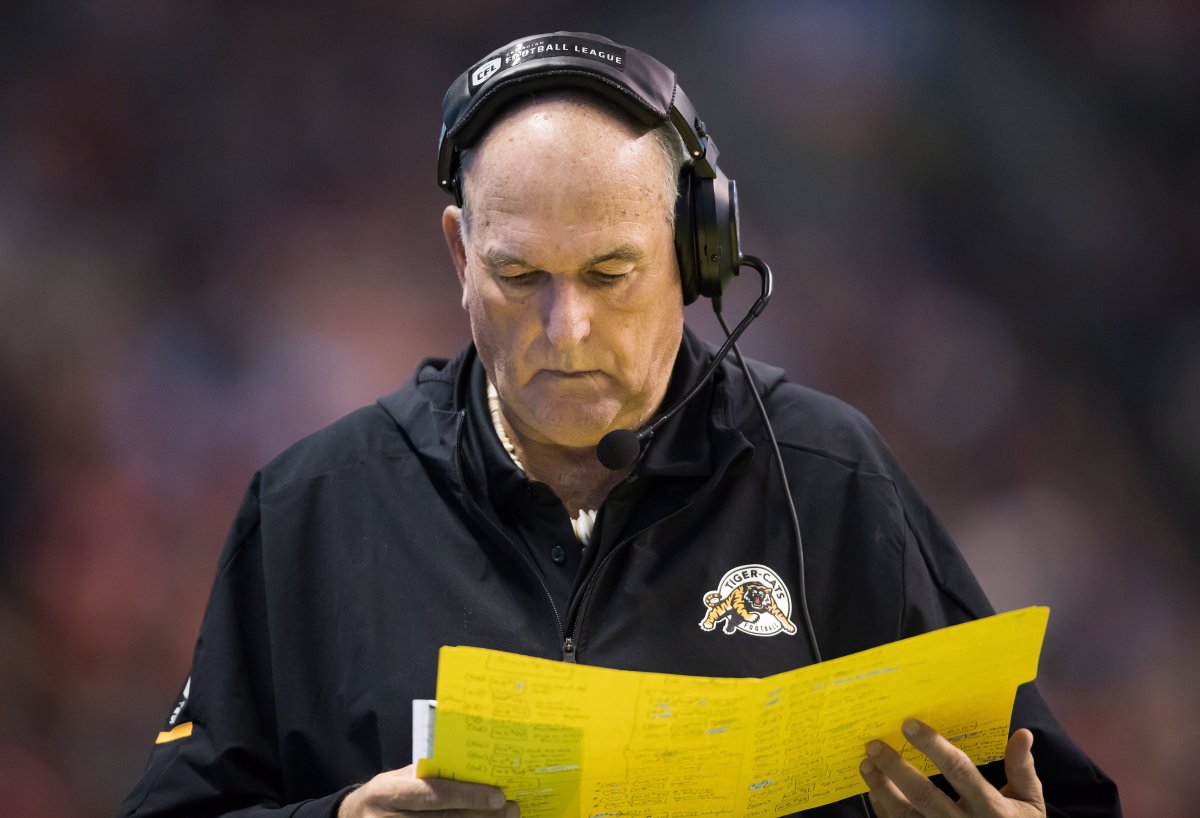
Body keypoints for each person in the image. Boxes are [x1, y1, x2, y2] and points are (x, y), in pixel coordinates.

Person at [119, 32, 1120, 818]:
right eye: (519, 276)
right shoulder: (314, 507)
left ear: (699, 252)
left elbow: (1052, 793)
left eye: (610, 273)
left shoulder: (829, 476)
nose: (568, 328)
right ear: (459, 253)